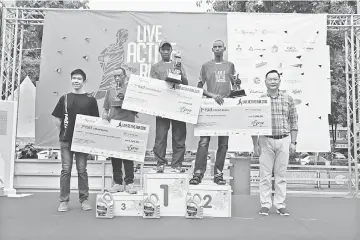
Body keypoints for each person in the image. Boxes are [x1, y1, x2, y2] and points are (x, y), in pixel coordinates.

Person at [189, 40, 241, 185]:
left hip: (225, 109)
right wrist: (212, 96)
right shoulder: (206, 66)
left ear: (224, 49)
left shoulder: (230, 66)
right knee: (204, 142)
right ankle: (198, 173)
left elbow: (235, 87)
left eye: (220, 46)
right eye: (215, 46)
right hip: (209, 108)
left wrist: (237, 86)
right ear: (212, 49)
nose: (218, 48)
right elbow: (199, 87)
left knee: (223, 144)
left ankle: (218, 174)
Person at [252, 69, 298, 217]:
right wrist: (255, 144)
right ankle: (265, 205)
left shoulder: (288, 98)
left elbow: (294, 121)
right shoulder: (259, 99)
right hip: (265, 141)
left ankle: (280, 205)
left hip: (284, 140)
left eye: (275, 79)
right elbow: (253, 124)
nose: (273, 81)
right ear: (265, 82)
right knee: (264, 176)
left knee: (281, 176)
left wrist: (293, 142)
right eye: (270, 79)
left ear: (279, 81)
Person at [52, 69, 99, 212]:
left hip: (82, 142)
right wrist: (64, 131)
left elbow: (94, 121)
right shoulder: (64, 98)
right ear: (71, 80)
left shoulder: (91, 99)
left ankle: (84, 200)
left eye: (79, 78)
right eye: (74, 78)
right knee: (66, 170)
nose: (76, 81)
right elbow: (57, 118)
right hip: (66, 140)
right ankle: (63, 201)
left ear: (84, 81)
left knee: (82, 170)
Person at [150, 41, 189, 173]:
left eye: (168, 49)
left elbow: (186, 82)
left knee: (179, 135)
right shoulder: (155, 67)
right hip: (162, 105)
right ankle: (160, 163)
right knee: (161, 136)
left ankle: (177, 164)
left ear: (171, 51)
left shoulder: (177, 63)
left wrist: (179, 72)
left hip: (177, 104)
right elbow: (154, 85)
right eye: (163, 49)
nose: (166, 51)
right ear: (159, 51)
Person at [102, 68, 137, 194]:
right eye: (115, 76)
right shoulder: (110, 91)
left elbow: (137, 108)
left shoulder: (131, 90)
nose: (117, 78)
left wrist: (126, 101)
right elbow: (106, 109)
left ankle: (129, 183)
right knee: (115, 156)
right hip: (114, 127)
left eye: (119, 76)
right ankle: (117, 183)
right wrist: (105, 115)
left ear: (125, 76)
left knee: (128, 155)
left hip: (128, 125)